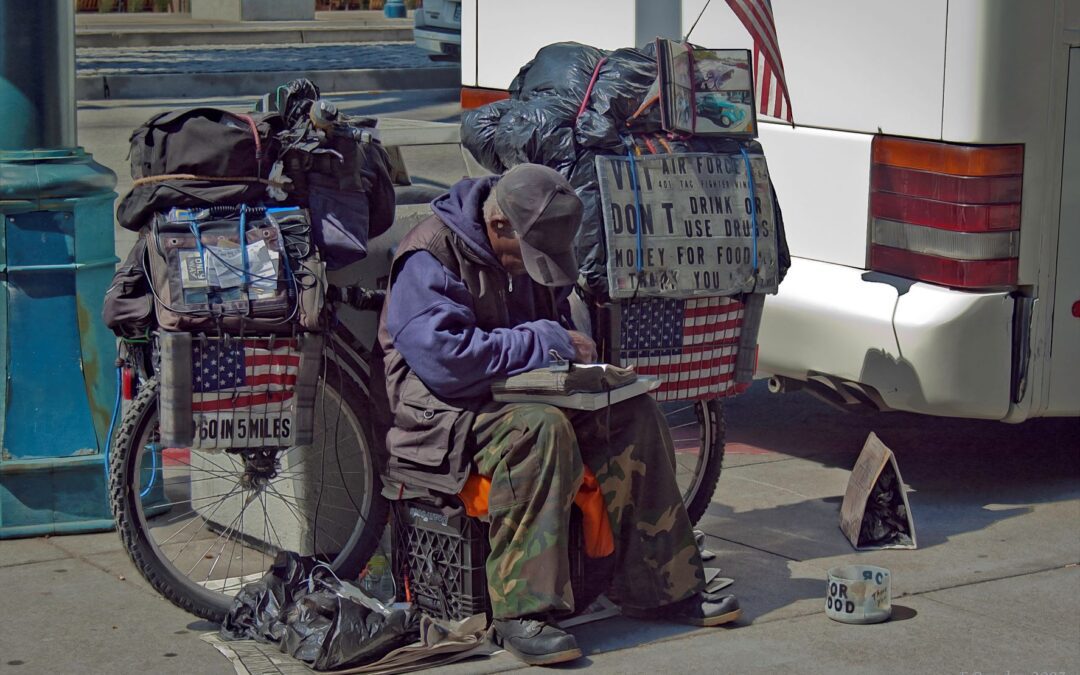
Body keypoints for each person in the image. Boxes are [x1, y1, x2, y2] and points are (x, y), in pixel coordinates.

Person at [377, 163, 740, 666]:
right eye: (528, 256)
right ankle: (521, 611)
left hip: (515, 399)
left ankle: (661, 584)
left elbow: (555, 328)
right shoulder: (431, 254)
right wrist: (543, 341)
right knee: (539, 430)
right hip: (445, 419)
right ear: (499, 224)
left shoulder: (520, 246)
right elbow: (445, 361)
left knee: (632, 411)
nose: (531, 268)